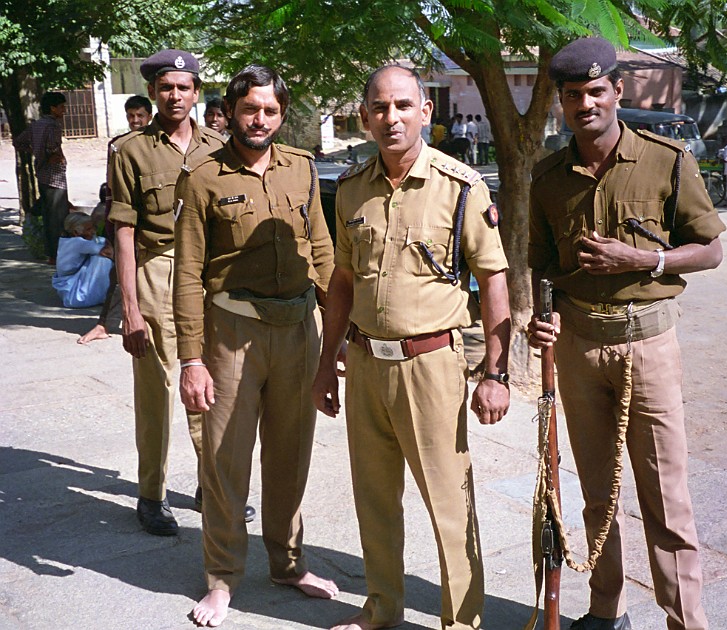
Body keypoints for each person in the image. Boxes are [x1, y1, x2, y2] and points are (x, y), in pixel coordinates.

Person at [527, 37, 725, 630]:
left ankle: (685, 621)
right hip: (579, 345)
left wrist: (640, 261)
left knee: (666, 499)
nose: (584, 104)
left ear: (617, 91)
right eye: (571, 96)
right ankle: (605, 611)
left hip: (649, 343)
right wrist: (542, 314)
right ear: (561, 104)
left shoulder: (667, 159)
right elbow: (539, 262)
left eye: (594, 91)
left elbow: (711, 249)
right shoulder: (548, 177)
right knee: (597, 494)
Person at [312, 65, 512, 630]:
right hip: (366, 366)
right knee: (374, 502)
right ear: (364, 117)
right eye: (379, 107)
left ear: (426, 112)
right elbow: (343, 282)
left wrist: (494, 372)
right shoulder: (351, 189)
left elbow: (494, 279)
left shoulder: (461, 187)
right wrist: (326, 365)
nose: (391, 117)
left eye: (403, 105)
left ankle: (460, 622)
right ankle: (381, 609)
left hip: (431, 366)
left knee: (450, 506)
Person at [174, 64, 338, 628]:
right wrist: (192, 359)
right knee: (225, 462)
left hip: (298, 333)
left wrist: (340, 333)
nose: (259, 120)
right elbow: (188, 274)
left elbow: (322, 249)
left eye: (270, 111)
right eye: (250, 110)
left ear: (281, 115)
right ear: (232, 110)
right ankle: (221, 580)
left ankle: (288, 564)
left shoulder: (303, 170)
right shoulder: (202, 178)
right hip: (231, 335)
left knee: (291, 455)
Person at [108, 49, 251, 537]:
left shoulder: (218, 145)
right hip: (156, 270)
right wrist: (129, 309)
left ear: (197, 92)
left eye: (184, 87)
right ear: (153, 92)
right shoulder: (130, 151)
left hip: (210, 275)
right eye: (166, 87)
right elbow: (123, 232)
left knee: (209, 381)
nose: (175, 95)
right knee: (157, 389)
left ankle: (210, 486)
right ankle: (152, 494)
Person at [78, 95, 153, 345]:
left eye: (140, 115)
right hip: (124, 216)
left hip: (153, 220)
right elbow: (112, 185)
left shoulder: (159, 143)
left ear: (149, 116)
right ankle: (104, 324)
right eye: (131, 116)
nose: (135, 120)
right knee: (120, 272)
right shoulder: (117, 145)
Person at [13, 92, 69, 265]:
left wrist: (36, 153)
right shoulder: (53, 126)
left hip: (42, 175)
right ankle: (57, 254)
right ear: (52, 108)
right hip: (55, 177)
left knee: (48, 216)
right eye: (61, 107)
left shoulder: (36, 125)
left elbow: (18, 142)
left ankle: (52, 254)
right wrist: (53, 155)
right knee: (58, 218)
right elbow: (53, 146)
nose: (64, 111)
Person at [52, 213, 113, 308]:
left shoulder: (65, 241)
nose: (93, 232)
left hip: (70, 289)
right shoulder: (78, 243)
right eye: (88, 229)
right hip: (74, 294)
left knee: (100, 245)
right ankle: (102, 296)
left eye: (93, 228)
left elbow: (101, 242)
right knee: (103, 259)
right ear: (76, 232)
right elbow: (108, 252)